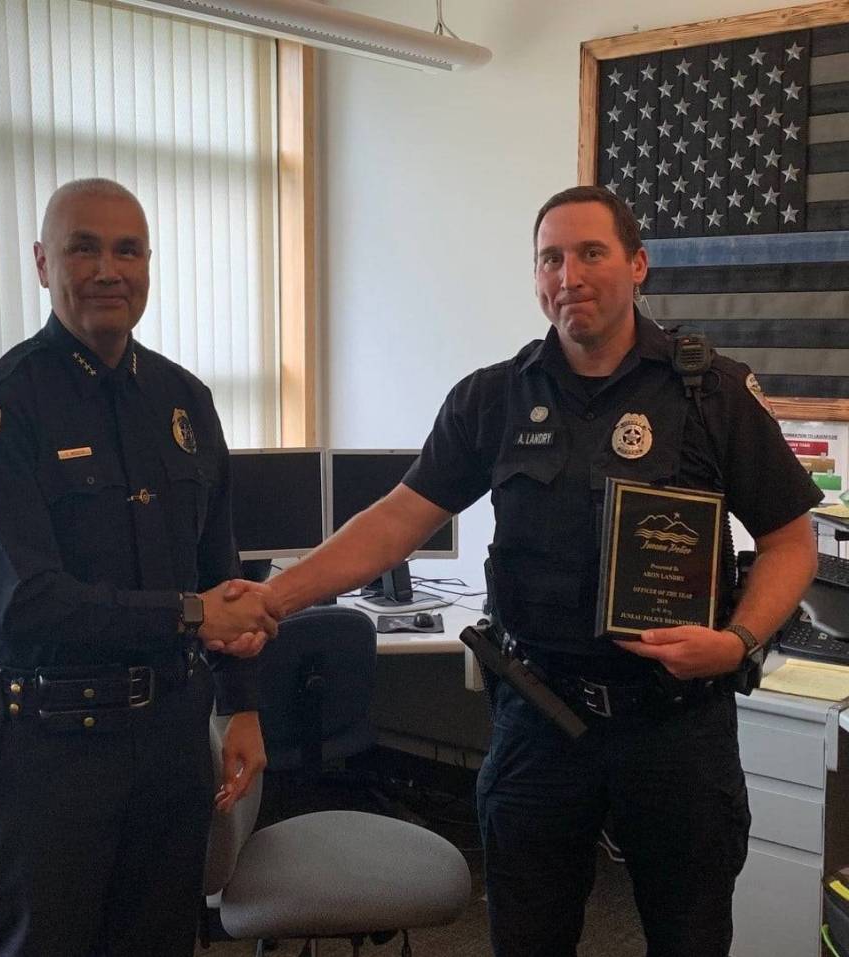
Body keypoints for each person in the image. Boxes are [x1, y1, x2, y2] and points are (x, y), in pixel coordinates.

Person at [223, 185, 821, 956]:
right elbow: (397, 521)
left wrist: (737, 641)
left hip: (674, 726)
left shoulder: (712, 393)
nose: (569, 275)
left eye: (591, 253)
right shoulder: (494, 398)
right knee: (528, 937)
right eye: (551, 258)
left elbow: (790, 542)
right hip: (540, 720)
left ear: (638, 264)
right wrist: (273, 597)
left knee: (691, 935)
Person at [0, 177, 277, 957]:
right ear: (42, 263)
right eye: (83, 249)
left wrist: (242, 705)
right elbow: (27, 603)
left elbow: (218, 566)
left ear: (148, 265)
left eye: (127, 251)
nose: (107, 270)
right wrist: (192, 614)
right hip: (52, 750)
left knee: (159, 941)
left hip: (170, 738)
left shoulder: (184, 400)